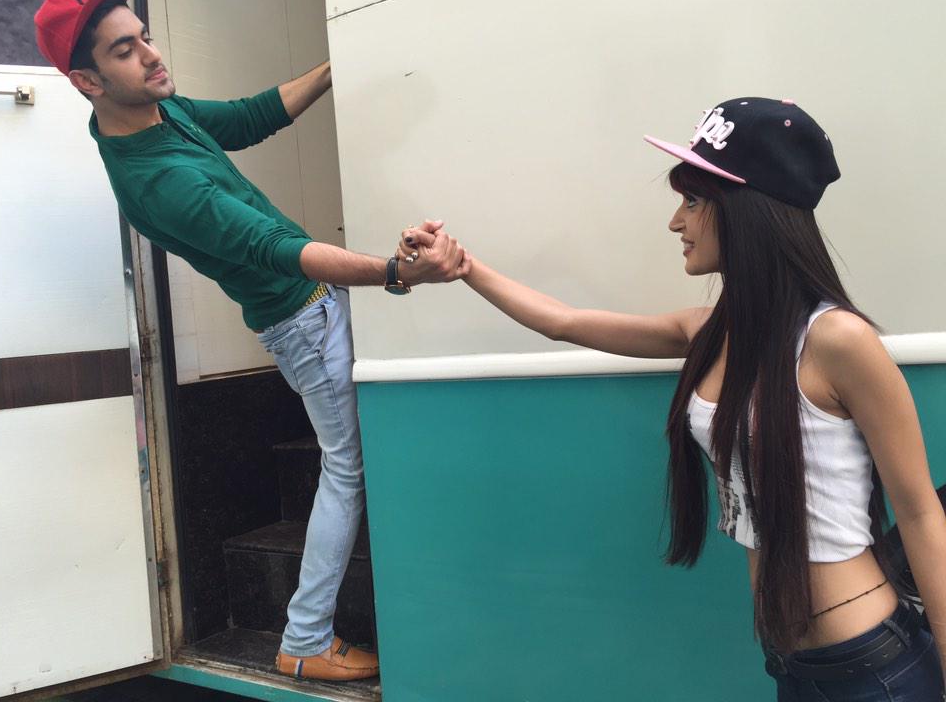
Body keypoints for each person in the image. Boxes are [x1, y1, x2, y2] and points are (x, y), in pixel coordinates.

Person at [402, 97, 946, 699]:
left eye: (692, 201)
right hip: (792, 666)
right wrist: (463, 266)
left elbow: (921, 513)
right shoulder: (709, 331)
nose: (675, 222)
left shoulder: (838, 340)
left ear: (747, 210)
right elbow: (563, 322)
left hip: (873, 670)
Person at [34, 0, 468, 682]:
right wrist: (397, 272)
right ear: (87, 81)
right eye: (124, 50)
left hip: (318, 303)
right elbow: (277, 249)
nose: (150, 55)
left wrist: (338, 60)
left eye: (144, 36)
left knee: (360, 458)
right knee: (346, 468)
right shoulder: (156, 180)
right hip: (303, 323)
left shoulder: (155, 110)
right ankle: (304, 639)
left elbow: (247, 117)